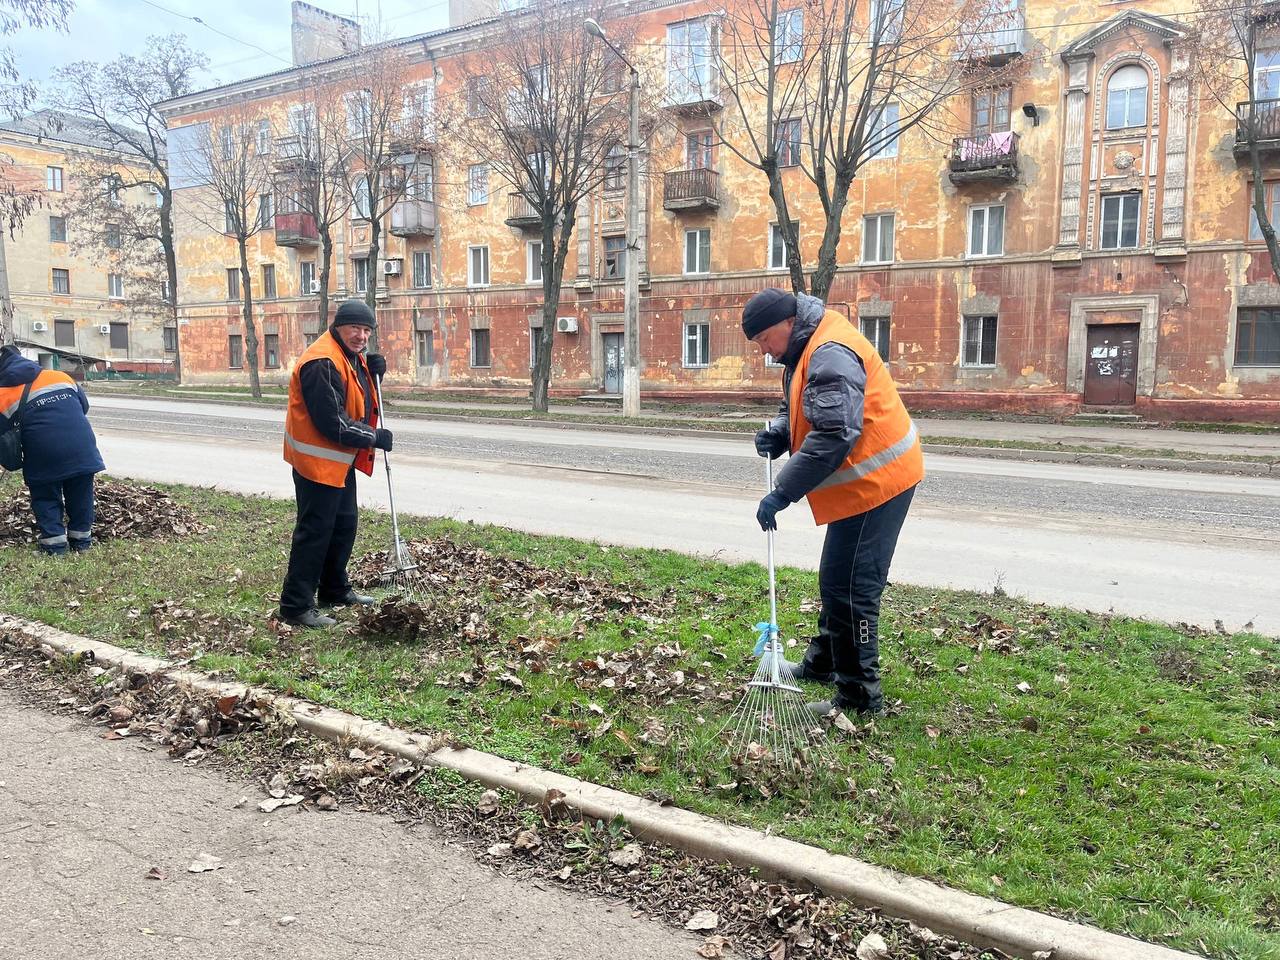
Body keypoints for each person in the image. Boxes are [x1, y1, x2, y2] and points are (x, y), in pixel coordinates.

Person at [743, 288, 924, 718]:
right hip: (863, 482)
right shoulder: (807, 347)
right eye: (758, 345)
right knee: (836, 579)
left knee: (851, 588)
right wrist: (782, 432)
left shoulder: (830, 352)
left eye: (766, 339)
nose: (766, 352)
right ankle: (823, 665)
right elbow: (812, 408)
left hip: (879, 482)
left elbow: (834, 434)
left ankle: (859, 698)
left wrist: (782, 492)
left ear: (788, 323)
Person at [278, 300, 392, 628]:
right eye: (355, 328)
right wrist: (373, 437)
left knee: (343, 525)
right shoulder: (322, 361)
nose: (361, 335)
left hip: (337, 461)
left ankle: (334, 589)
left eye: (367, 330)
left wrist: (374, 375)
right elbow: (333, 422)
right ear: (339, 326)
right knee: (315, 531)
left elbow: (356, 397)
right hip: (316, 462)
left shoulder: (347, 356)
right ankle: (296, 606)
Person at [0, 344, 105, 555]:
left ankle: (55, 546)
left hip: (43, 452)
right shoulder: (60, 376)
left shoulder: (4, 393)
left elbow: (3, 431)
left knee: (46, 496)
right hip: (82, 447)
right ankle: (82, 543)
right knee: (81, 494)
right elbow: (83, 406)